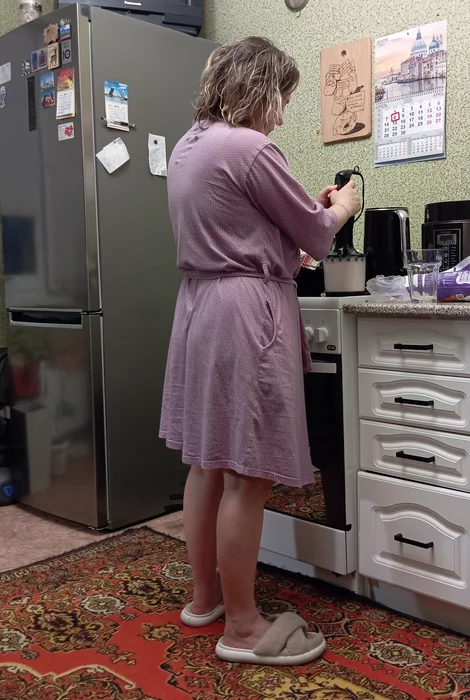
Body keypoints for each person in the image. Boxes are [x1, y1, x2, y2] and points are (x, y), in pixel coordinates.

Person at [160, 37, 361, 666]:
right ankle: (244, 628)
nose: (282, 112)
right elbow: (316, 237)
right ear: (260, 87)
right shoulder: (249, 147)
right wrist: (342, 207)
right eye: (283, 98)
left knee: (207, 463)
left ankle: (206, 599)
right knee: (249, 472)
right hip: (245, 315)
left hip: (199, 307)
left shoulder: (190, 146)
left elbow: (246, 226)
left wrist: (303, 218)